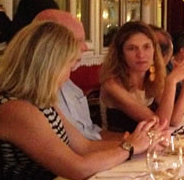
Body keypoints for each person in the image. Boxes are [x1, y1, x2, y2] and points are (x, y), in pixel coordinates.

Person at [0, 21, 154, 180]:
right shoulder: (15, 110)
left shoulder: (41, 101)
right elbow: (78, 169)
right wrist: (129, 148)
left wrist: (142, 143)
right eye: (68, 65)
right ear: (48, 65)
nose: (68, 75)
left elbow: (84, 146)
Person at [33, 9, 124, 142]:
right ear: (49, 45)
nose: (85, 47)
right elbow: (77, 150)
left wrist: (129, 140)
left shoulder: (69, 85)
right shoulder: (26, 101)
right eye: (77, 40)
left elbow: (90, 133)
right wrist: (130, 146)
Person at [100, 22, 184, 133]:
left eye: (146, 47)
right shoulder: (112, 85)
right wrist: (171, 82)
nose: (141, 55)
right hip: (119, 142)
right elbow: (161, 124)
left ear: (154, 50)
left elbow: (174, 120)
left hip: (148, 142)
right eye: (132, 48)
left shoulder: (151, 78)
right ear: (121, 54)